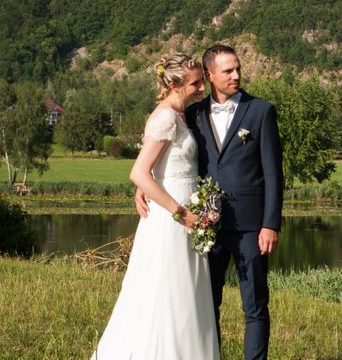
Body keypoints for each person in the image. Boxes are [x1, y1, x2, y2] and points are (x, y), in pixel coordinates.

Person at [136, 44, 284, 360]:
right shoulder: (192, 113)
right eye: (228, 70)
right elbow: (169, 156)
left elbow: (274, 174)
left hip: (250, 226)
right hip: (206, 226)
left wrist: (270, 224)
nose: (236, 75)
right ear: (209, 75)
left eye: (238, 68)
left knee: (255, 305)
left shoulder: (261, 111)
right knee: (205, 304)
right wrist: (146, 186)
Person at [93, 54, 220, 360]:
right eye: (196, 83)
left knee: (186, 293)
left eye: (202, 79)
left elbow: (158, 167)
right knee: (168, 292)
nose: (203, 86)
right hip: (171, 217)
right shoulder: (165, 117)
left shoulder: (180, 113)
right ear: (175, 84)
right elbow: (139, 171)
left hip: (185, 210)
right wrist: (182, 213)